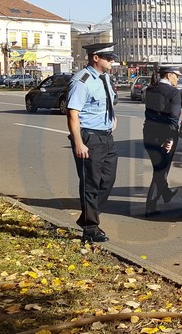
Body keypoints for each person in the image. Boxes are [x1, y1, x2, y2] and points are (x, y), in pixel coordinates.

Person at [66, 42, 119, 243]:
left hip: (106, 136)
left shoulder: (105, 78)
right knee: (90, 183)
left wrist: (112, 119)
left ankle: (87, 217)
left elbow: (108, 103)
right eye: (108, 57)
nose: (112, 60)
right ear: (95, 57)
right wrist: (79, 142)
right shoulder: (82, 81)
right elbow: (73, 114)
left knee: (107, 180)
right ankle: (90, 228)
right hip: (89, 137)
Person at [142, 65, 182, 216]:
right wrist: (170, 138)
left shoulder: (150, 89)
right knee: (161, 171)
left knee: (158, 169)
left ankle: (164, 194)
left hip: (149, 133)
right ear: (169, 75)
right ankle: (152, 205)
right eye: (176, 76)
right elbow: (173, 117)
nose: (178, 79)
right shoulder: (173, 92)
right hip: (165, 135)